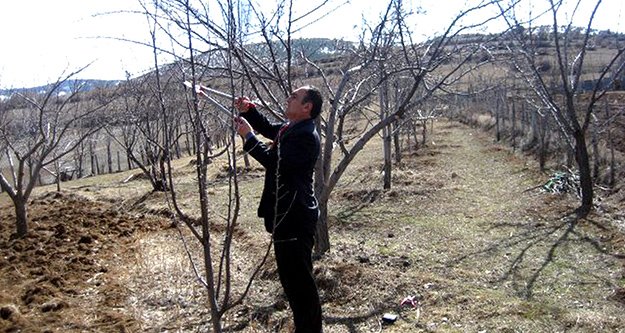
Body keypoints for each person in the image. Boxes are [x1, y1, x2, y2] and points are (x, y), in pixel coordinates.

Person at [234, 86, 323, 333]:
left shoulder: (305, 135)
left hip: (295, 218)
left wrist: (249, 138)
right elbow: (271, 129)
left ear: (307, 107)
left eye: (294, 97)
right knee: (293, 284)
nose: (288, 98)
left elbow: (275, 162)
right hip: (287, 217)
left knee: (300, 287)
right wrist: (250, 111)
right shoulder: (291, 128)